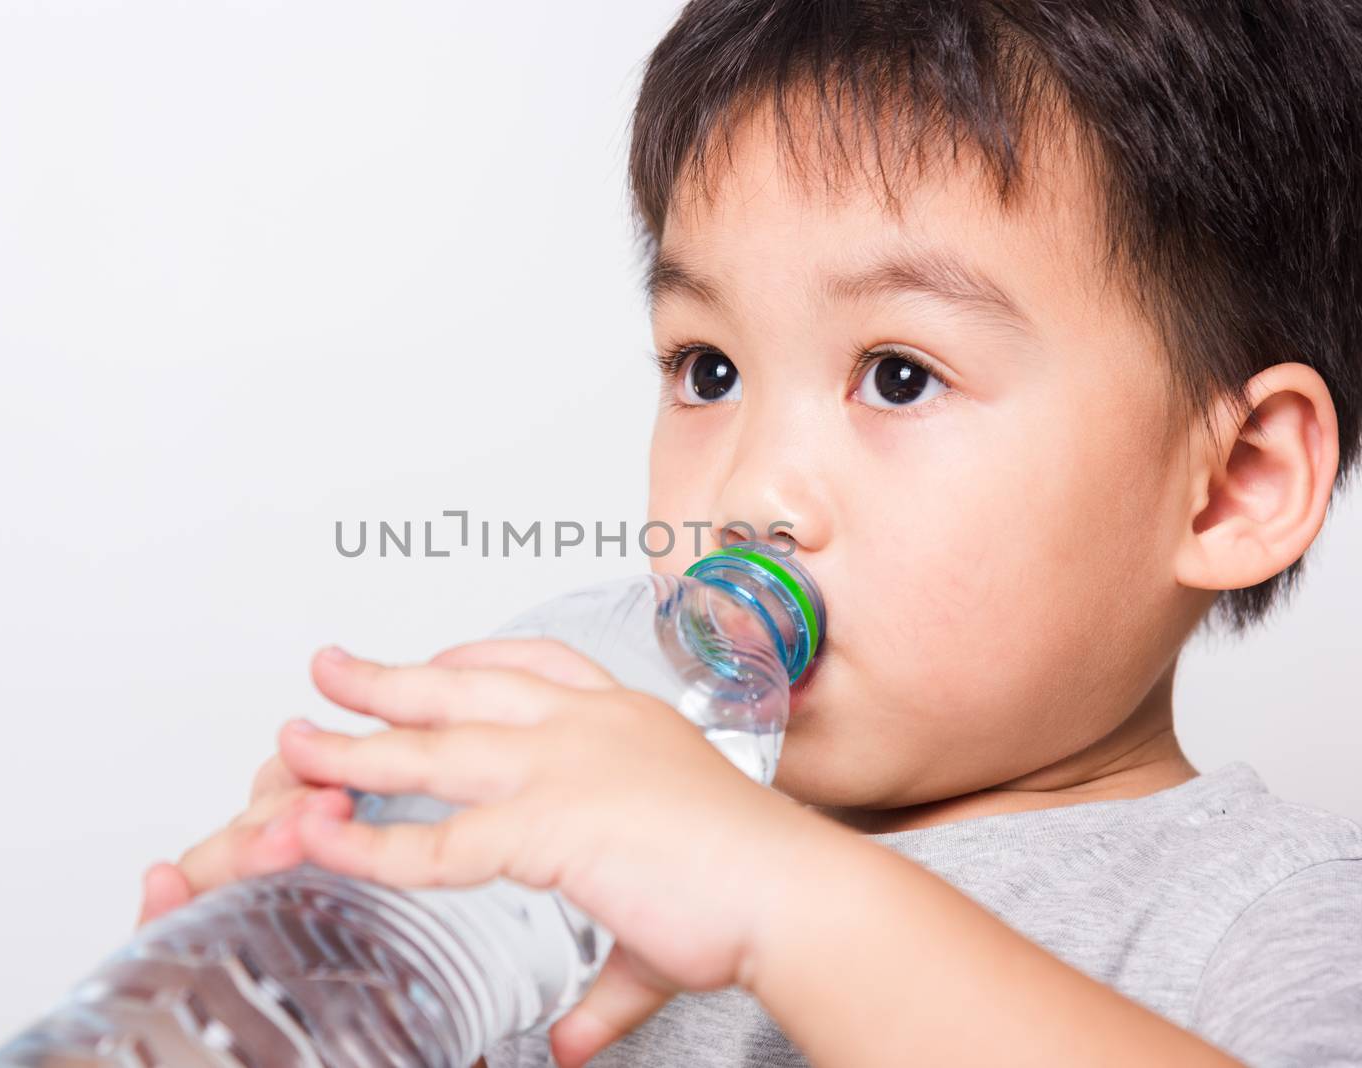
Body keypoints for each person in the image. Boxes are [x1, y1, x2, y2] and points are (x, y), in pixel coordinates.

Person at [136, 2, 1362, 1064]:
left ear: (1232, 484)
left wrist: (780, 898)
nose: (750, 495)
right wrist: (305, 984)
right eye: (708, 369)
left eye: (896, 376)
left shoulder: (1270, 922)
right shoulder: (584, 849)